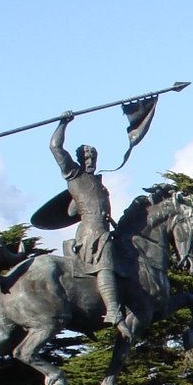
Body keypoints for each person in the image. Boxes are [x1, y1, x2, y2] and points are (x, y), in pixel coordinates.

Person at [48, 112, 133, 336]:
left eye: (93, 158)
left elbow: (72, 211)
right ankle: (113, 310)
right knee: (105, 264)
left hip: (104, 228)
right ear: (78, 159)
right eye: (86, 157)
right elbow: (55, 147)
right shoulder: (74, 174)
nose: (90, 161)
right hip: (91, 234)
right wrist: (63, 123)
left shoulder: (97, 182)